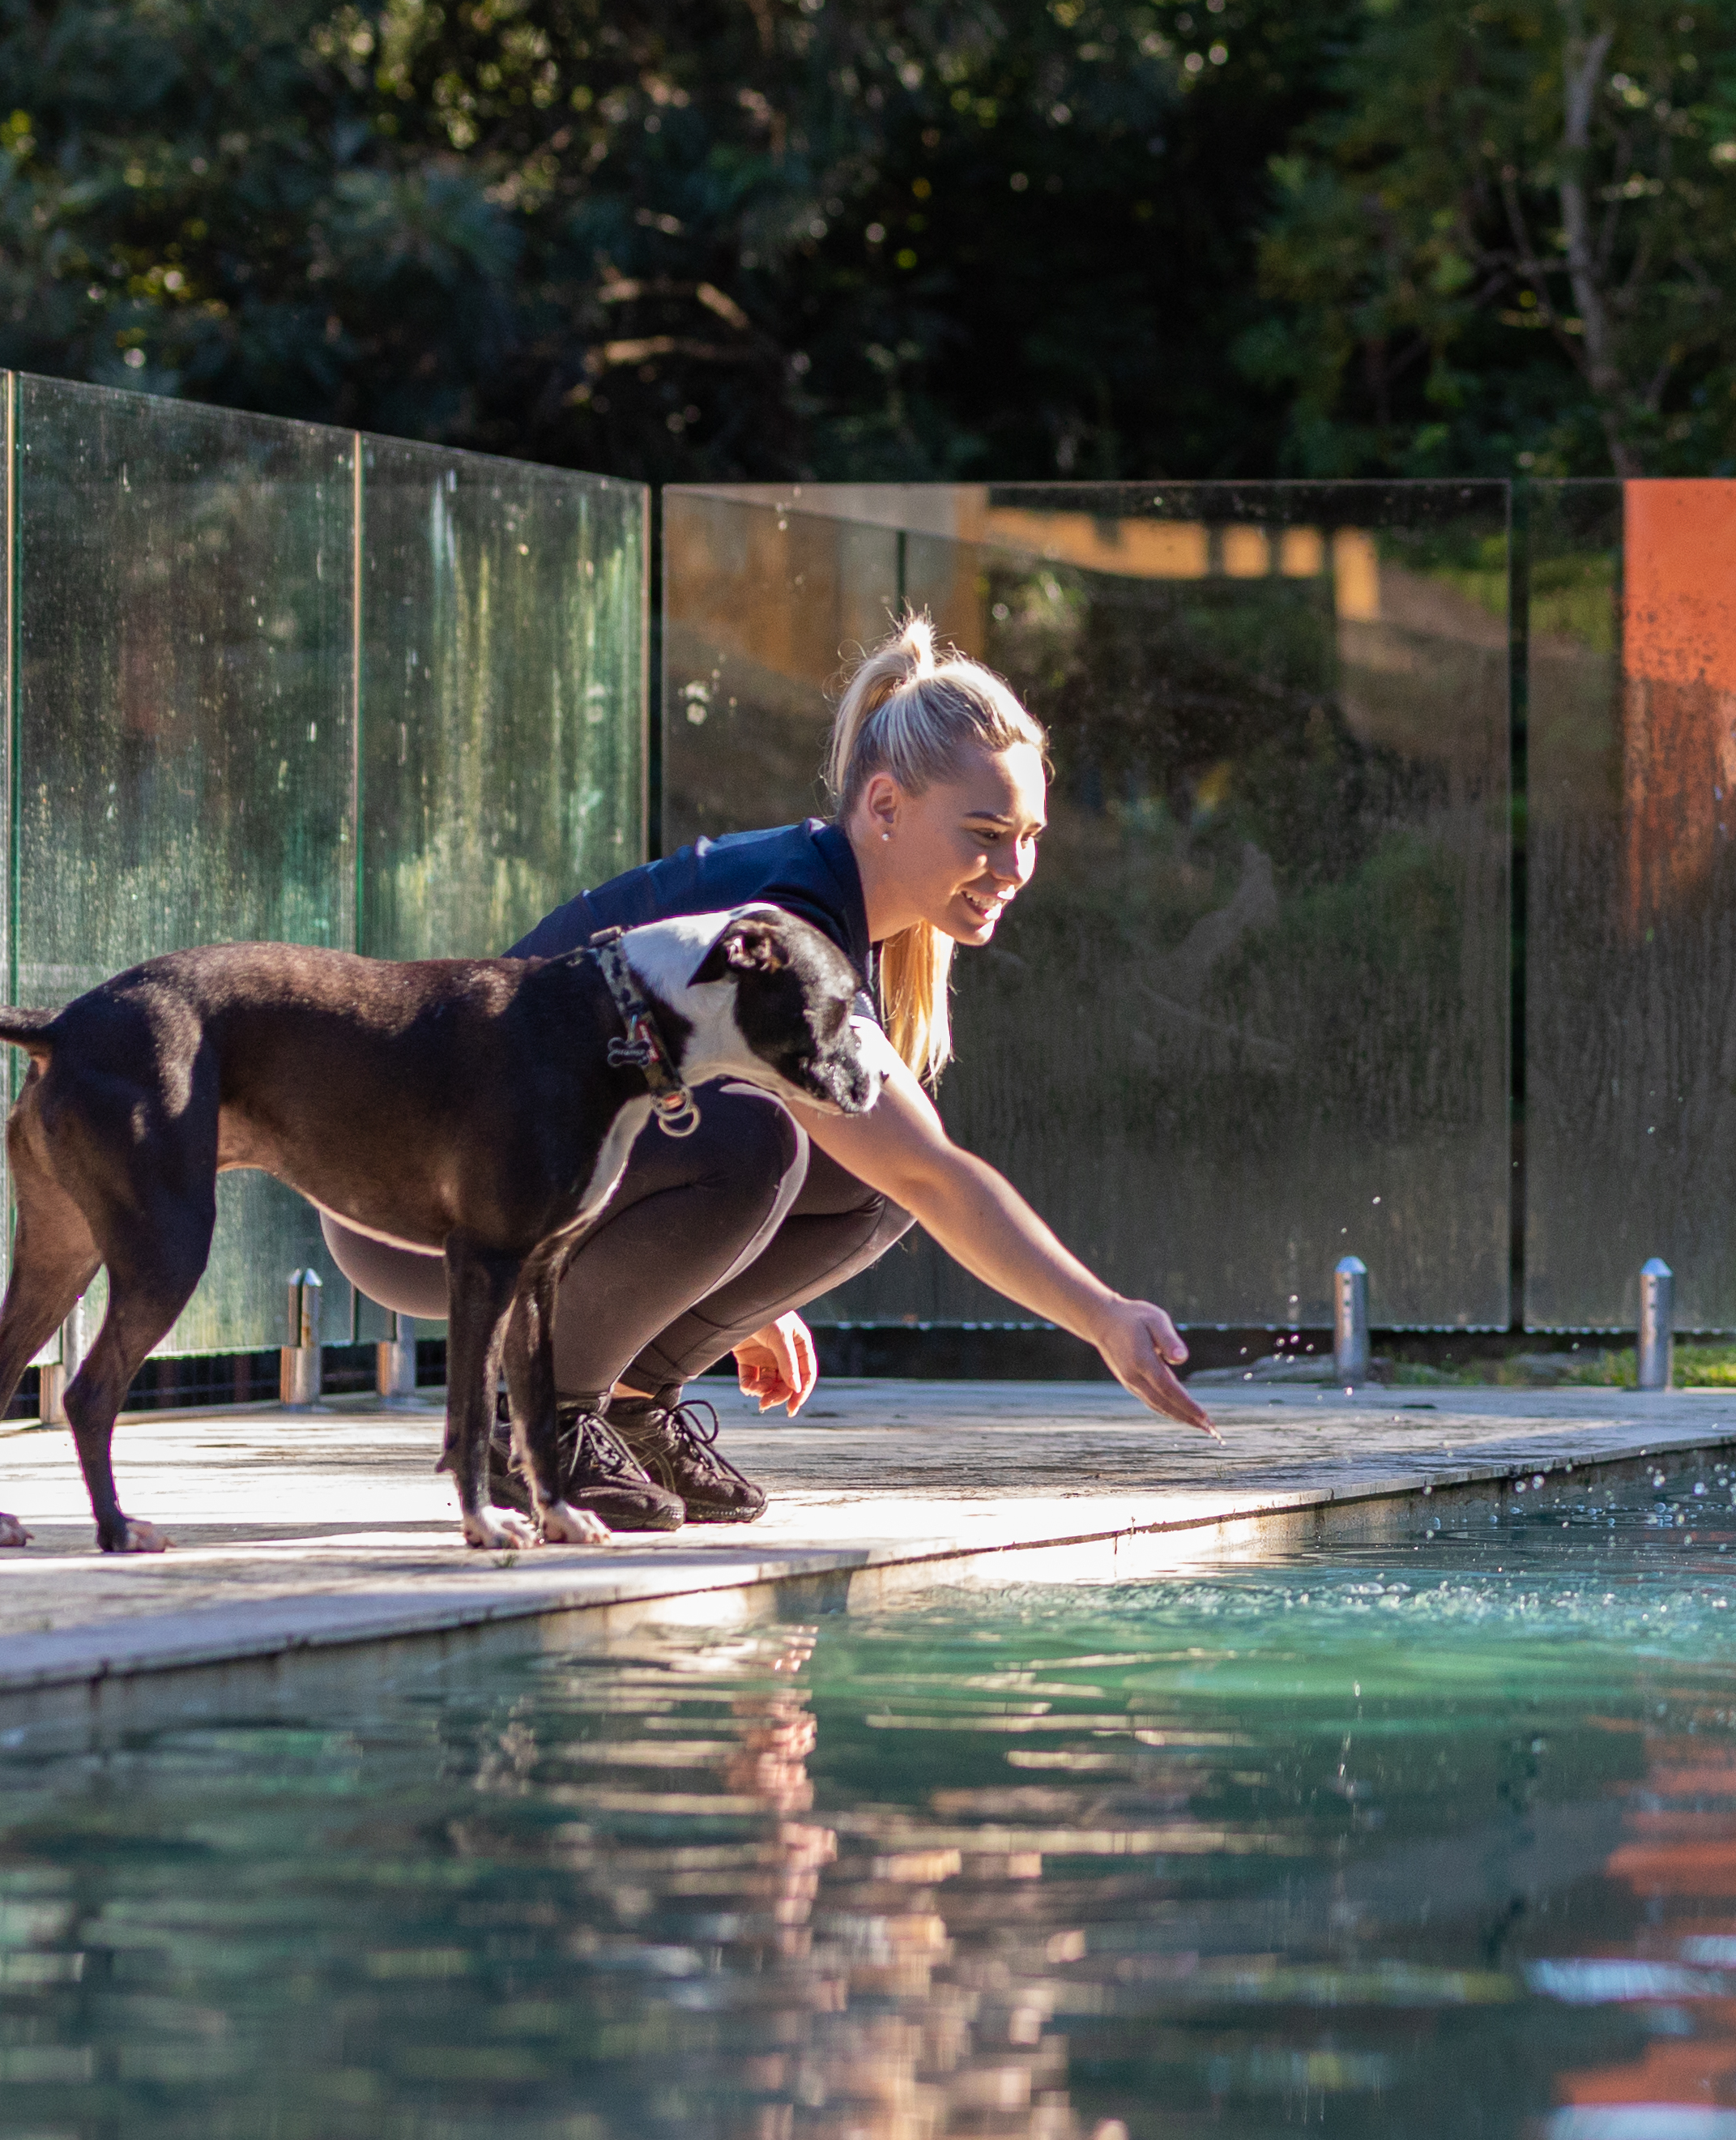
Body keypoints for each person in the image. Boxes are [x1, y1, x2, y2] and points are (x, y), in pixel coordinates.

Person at [315, 614, 1217, 1528]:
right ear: (886, 806)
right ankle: (541, 1424)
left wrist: (706, 1289)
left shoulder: (838, 903)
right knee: (766, 1143)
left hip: (518, 1186)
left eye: (1028, 834)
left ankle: (628, 1401)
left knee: (867, 1183)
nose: (1013, 865)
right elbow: (928, 1170)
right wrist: (1103, 1314)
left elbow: (884, 1167)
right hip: (407, 1207)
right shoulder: (790, 916)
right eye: (985, 831)